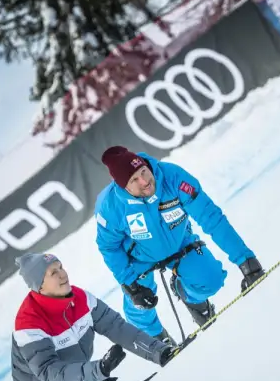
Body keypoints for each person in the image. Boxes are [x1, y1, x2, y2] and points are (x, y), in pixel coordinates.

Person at [94, 146, 266, 342]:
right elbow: (109, 247)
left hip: (179, 241)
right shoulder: (110, 207)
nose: (144, 181)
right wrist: (131, 285)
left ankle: (189, 295)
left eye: (144, 172)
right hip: (138, 257)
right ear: (124, 187)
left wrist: (246, 260)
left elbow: (211, 218)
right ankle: (157, 340)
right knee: (140, 306)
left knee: (211, 279)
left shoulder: (173, 177)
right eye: (134, 180)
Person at [10, 252, 177, 381]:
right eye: (53, 272)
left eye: (61, 267)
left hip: (81, 376)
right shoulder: (28, 323)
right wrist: (99, 370)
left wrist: (160, 352)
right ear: (39, 285)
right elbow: (49, 371)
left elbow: (117, 327)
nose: (63, 274)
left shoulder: (80, 298)